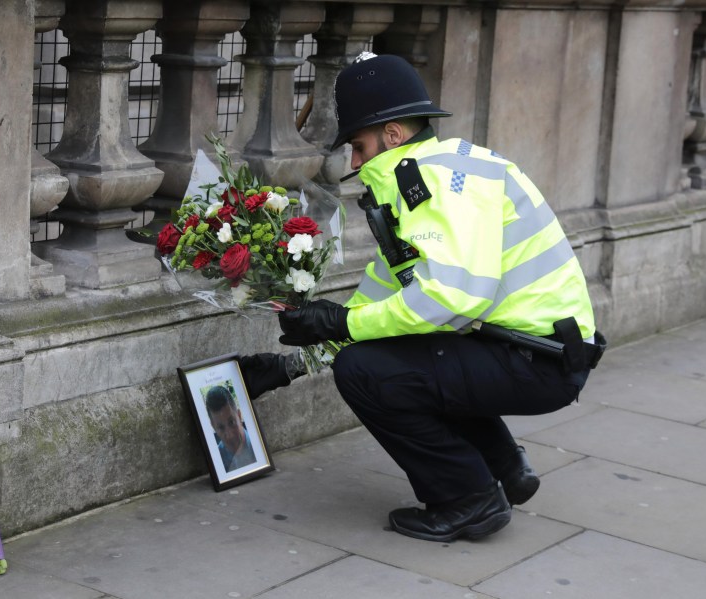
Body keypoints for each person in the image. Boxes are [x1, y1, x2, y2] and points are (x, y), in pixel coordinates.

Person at [239, 53, 604, 542]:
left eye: (359, 145)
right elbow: (388, 293)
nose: (354, 161)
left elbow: (452, 299)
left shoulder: (430, 185)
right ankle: (504, 463)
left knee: (366, 372)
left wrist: (341, 326)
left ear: (393, 134)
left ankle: (469, 499)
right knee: (401, 352)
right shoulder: (439, 172)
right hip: (535, 350)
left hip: (539, 361)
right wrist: (292, 365)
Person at [205, 385, 257, 472]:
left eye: (232, 422)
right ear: (213, 427)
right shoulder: (217, 460)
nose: (230, 436)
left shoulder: (258, 446)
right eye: (221, 428)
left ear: (239, 416)